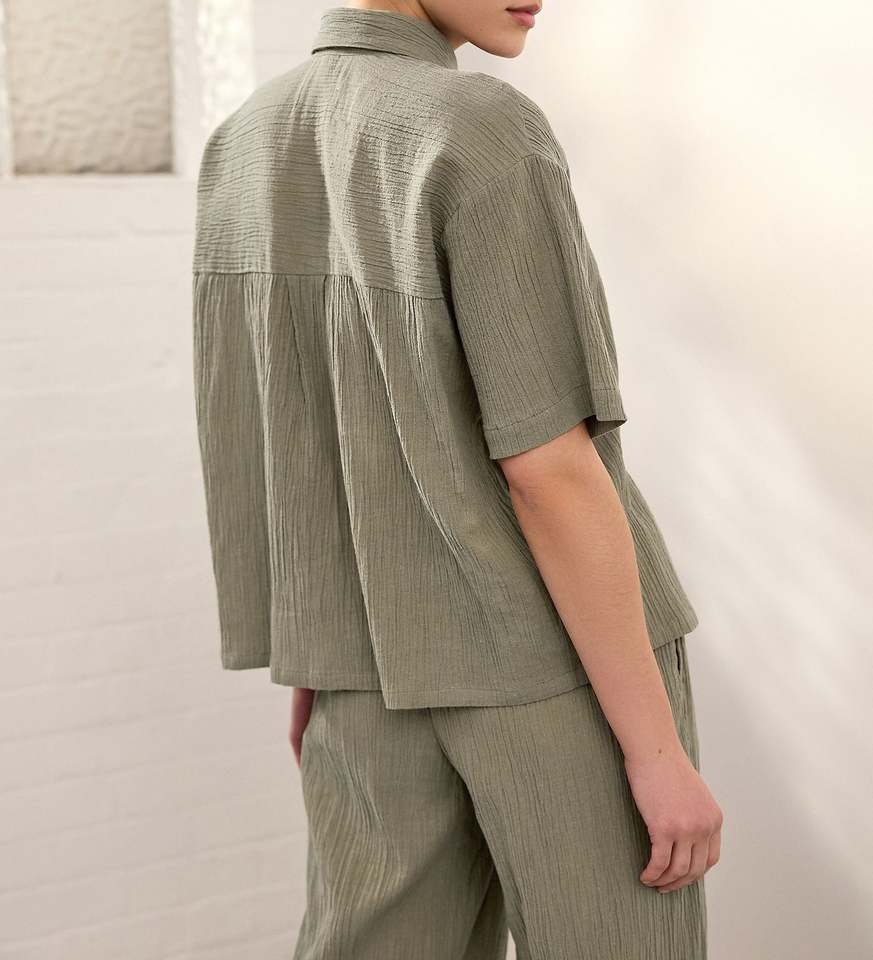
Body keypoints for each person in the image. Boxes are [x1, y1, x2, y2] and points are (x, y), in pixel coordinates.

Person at [192, 2, 723, 957]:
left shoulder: (244, 141)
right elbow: (548, 468)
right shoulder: (478, 125)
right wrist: (653, 755)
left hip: (362, 673)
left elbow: (280, 427)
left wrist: (321, 650)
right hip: (554, 671)